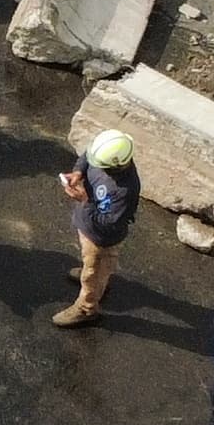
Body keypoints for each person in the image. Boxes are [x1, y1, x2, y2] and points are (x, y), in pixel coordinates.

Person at [51, 129, 138, 328]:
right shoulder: (103, 156)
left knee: (93, 273)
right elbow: (87, 156)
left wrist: (85, 201)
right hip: (89, 228)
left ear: (115, 166)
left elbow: (109, 223)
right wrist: (78, 171)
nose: (94, 163)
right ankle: (96, 276)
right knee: (90, 264)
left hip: (101, 240)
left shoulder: (124, 191)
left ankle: (86, 309)